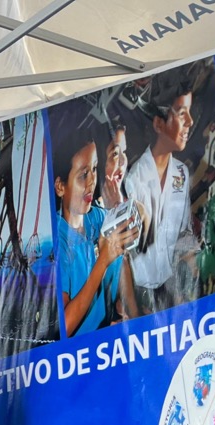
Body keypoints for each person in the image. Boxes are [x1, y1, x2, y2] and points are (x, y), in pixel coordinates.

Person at [52, 116, 139, 336]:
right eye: (83, 175)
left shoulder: (98, 218)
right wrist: (102, 261)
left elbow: (121, 264)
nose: (92, 181)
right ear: (60, 187)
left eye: (94, 169)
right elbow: (65, 326)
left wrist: (134, 317)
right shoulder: (57, 243)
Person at [124, 71, 199, 314]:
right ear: (158, 124)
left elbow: (183, 232)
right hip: (141, 291)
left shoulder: (181, 173)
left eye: (189, 112)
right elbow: (128, 251)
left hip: (171, 284)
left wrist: (189, 277)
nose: (190, 121)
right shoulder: (134, 179)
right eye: (181, 113)